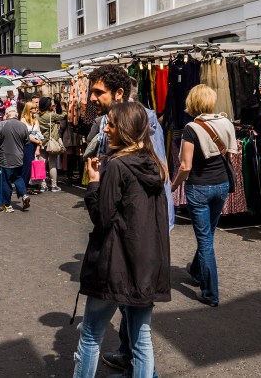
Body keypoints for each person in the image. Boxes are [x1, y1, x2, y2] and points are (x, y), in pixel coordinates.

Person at [86, 65, 174, 377]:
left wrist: (96, 183)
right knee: (139, 329)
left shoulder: (141, 124)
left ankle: (137, 364)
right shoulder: (108, 129)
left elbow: (155, 182)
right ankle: (133, 362)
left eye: (99, 92)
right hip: (138, 245)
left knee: (99, 327)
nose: (92, 98)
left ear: (119, 94)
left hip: (127, 246)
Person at [170, 84, 235, 307]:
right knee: (208, 234)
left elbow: (185, 166)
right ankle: (197, 272)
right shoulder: (225, 122)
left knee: (205, 240)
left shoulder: (191, 128)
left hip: (199, 187)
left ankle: (210, 293)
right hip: (222, 185)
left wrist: (172, 186)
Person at [0, 107, 31, 213]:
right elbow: (27, 142)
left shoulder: (1, 125)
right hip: (19, 157)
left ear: (7, 114)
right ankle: (24, 195)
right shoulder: (22, 125)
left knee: (6, 181)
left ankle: (7, 205)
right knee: (18, 177)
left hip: (5, 158)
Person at [37, 97, 66, 192]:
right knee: (52, 163)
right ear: (48, 105)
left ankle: (43, 185)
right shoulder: (51, 115)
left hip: (41, 142)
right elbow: (63, 116)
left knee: (42, 163)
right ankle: (54, 185)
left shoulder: (37, 116)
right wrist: (62, 106)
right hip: (52, 142)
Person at [21, 102, 43, 194]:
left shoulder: (35, 120)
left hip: (34, 144)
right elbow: (25, 135)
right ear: (29, 109)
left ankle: (31, 185)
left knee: (33, 165)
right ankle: (23, 186)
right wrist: (37, 141)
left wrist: (38, 146)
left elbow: (39, 133)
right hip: (27, 144)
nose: (36, 110)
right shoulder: (23, 120)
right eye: (34, 108)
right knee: (27, 165)